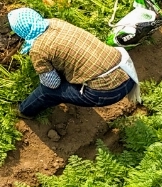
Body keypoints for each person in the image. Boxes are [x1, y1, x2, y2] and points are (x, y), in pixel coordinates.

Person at [8, 7, 140, 118]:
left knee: (47, 90)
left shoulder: (38, 49)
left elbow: (53, 84)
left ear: (20, 31)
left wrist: (43, 74)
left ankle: (24, 111)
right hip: (126, 73)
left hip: (107, 93)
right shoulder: (55, 23)